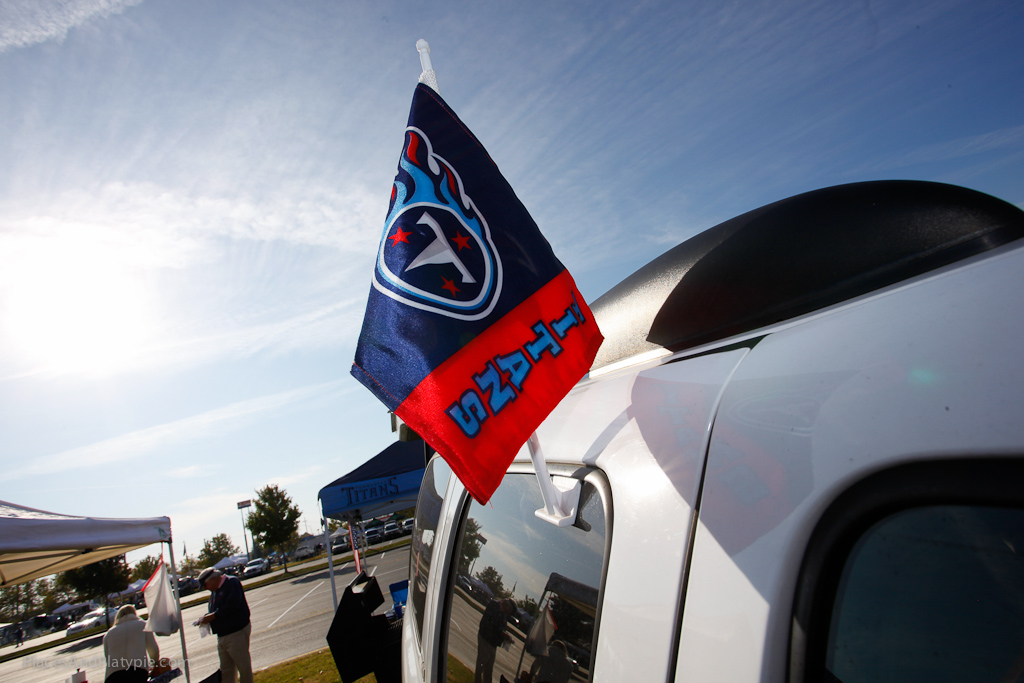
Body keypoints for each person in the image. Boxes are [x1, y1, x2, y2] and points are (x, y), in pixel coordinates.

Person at [197, 567, 253, 683]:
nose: (206, 588)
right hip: (222, 636)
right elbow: (216, 610)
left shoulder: (231, 583)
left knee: (243, 667)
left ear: (212, 580)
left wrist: (213, 616)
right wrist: (206, 618)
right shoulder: (214, 592)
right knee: (226, 671)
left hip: (236, 633)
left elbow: (232, 604)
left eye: (205, 585)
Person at [102, 605, 160, 683]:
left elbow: (107, 658)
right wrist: (155, 664)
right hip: (137, 672)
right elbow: (154, 650)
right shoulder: (142, 625)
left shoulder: (109, 633)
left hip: (113, 676)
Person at [475, 598, 515, 683]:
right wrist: (502, 633)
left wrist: (505, 635)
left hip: (493, 643)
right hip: (486, 639)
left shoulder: (503, 613)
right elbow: (492, 623)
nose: (508, 614)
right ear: (507, 606)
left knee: (489, 670)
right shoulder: (494, 605)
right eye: (509, 612)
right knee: (481, 666)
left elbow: (502, 626)